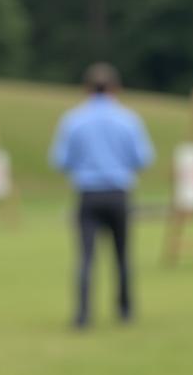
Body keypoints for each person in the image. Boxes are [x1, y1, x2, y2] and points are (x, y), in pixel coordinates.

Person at [49, 63, 154, 328]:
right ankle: (125, 311)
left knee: (85, 257)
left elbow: (60, 160)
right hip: (119, 192)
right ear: (116, 88)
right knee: (122, 255)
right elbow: (143, 158)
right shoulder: (128, 119)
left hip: (88, 193)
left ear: (86, 88)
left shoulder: (73, 119)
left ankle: (83, 315)